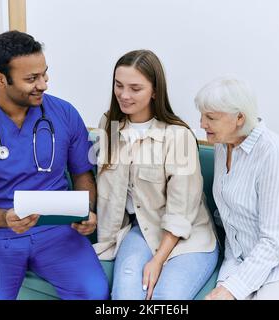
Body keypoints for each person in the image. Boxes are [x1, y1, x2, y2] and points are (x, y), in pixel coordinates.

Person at [0, 31, 109, 300]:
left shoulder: (65, 114)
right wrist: (5, 218)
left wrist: (86, 211)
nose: (43, 84)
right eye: (31, 79)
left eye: (44, 74)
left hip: (58, 231)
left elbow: (82, 174)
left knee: (94, 293)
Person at [92, 50, 218, 300]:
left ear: (155, 91)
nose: (124, 95)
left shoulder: (178, 136)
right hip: (140, 230)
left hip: (187, 239)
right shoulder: (109, 125)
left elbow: (181, 213)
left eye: (135, 88)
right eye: (119, 85)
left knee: (165, 298)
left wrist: (158, 260)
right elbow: (108, 190)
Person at [195, 77, 279, 300]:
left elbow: (274, 241)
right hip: (241, 258)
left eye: (211, 117)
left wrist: (232, 289)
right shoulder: (222, 144)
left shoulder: (271, 152)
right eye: (202, 115)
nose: (201, 124)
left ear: (239, 118)